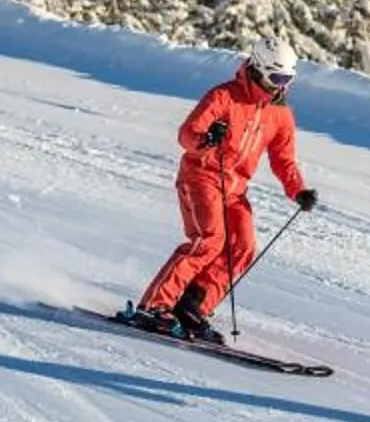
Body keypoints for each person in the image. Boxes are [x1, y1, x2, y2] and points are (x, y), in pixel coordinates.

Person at [124, 38, 318, 342]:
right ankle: (154, 306)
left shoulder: (280, 114)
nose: (281, 87)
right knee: (210, 240)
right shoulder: (224, 96)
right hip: (201, 178)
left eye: (288, 80)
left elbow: (284, 160)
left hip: (235, 190)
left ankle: (192, 306)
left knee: (242, 246)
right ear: (259, 69)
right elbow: (187, 134)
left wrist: (298, 190)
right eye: (277, 78)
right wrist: (206, 139)